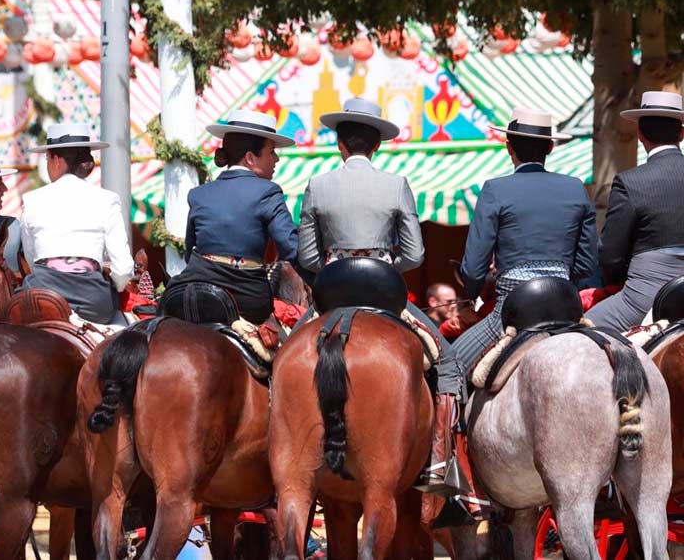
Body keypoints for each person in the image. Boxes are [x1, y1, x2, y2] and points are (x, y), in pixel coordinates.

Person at [296, 98, 467, 522]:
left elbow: (306, 255)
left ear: (340, 145)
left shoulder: (317, 184)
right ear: (376, 147)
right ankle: (441, 465)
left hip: (332, 286)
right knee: (446, 360)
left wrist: (335, 263)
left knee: (285, 354)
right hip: (384, 287)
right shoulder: (396, 184)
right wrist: (381, 262)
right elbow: (414, 253)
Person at [455, 107, 597, 371]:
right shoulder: (575, 187)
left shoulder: (495, 189)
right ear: (550, 147)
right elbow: (587, 263)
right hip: (563, 302)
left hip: (513, 306)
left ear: (509, 147)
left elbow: (474, 267)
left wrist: (471, 296)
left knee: (449, 365)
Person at [169, 109, 298, 324]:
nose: (276, 159)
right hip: (246, 299)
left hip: (189, 291)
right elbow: (291, 249)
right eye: (272, 152)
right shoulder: (268, 191)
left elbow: (190, 253)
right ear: (250, 158)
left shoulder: (199, 194)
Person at [586, 91, 684, 331]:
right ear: (681, 133)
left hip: (645, 295)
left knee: (581, 332)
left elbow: (611, 255)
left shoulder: (630, 181)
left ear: (640, 134)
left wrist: (617, 282)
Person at [20, 123, 133, 324]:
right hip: (92, 300)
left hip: (40, 295)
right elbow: (123, 269)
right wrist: (117, 284)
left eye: (47, 158)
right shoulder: (107, 199)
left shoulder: (32, 199)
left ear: (56, 160)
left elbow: (32, 259)